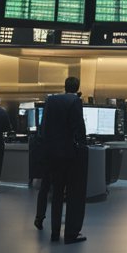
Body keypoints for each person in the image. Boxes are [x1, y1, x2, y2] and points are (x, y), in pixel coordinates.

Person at [42, 76, 88, 244]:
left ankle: (54, 233)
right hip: (70, 155)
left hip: (54, 154)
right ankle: (71, 234)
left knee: (57, 194)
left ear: (64, 85)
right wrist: (83, 145)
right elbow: (78, 127)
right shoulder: (75, 101)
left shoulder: (51, 100)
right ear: (77, 87)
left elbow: (45, 126)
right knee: (74, 195)